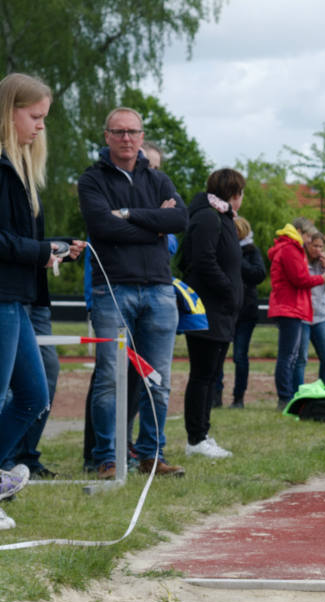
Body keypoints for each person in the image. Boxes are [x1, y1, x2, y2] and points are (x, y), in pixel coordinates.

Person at [78, 105, 187, 478]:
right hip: (113, 290)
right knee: (109, 377)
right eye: (119, 132)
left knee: (157, 379)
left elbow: (179, 219)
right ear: (107, 136)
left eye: (133, 132)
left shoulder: (159, 178)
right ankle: (107, 457)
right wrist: (154, 223)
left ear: (142, 137)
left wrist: (126, 213)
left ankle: (150, 455)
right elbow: (101, 228)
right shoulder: (91, 180)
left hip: (159, 290)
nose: (127, 138)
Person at [1, 73, 86, 528]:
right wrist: (41, 251)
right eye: (34, 117)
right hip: (2, 299)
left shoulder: (21, 171)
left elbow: (17, 239)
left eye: (43, 119)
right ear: (8, 111)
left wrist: (52, 246)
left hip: (18, 298)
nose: (40, 127)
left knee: (33, 396)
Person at [179, 168, 245, 458]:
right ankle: (196, 438)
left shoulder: (223, 218)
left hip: (222, 311)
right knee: (202, 375)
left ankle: (202, 433)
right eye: (241, 193)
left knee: (210, 374)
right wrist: (228, 291)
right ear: (234, 194)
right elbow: (201, 261)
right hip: (209, 309)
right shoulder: (208, 217)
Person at [267, 219, 325, 409]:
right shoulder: (290, 248)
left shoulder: (290, 247)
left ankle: (287, 396)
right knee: (289, 356)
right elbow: (299, 278)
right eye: (306, 236)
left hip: (291, 306)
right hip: (289, 306)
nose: (307, 240)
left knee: (291, 355)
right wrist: (321, 278)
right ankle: (286, 397)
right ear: (299, 232)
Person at [294, 225, 325, 389]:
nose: (318, 249)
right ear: (307, 245)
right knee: (301, 359)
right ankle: (297, 394)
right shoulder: (300, 259)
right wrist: (320, 277)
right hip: (302, 317)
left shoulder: (324, 263)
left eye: (321, 246)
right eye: (315, 245)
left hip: (320, 318)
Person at [228, 216, 266, 408]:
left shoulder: (251, 251)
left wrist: (238, 258)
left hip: (246, 310)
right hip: (226, 308)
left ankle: (238, 397)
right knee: (217, 356)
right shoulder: (222, 249)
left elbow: (259, 274)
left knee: (240, 355)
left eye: (235, 230)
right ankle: (215, 395)